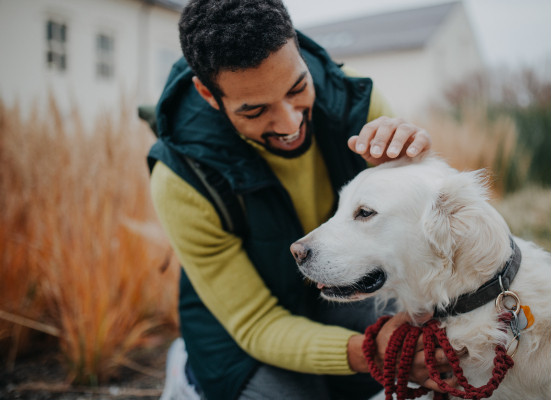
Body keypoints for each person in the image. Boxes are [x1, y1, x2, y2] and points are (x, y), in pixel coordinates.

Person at [148, 1, 456, 399]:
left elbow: (430, 238)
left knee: (432, 353)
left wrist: (417, 167)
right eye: (255, 111)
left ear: (297, 49)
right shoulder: (180, 178)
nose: (290, 124)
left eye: (297, 88)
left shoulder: (359, 105)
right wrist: (369, 352)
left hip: (337, 282)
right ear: (208, 94)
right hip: (240, 321)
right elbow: (256, 323)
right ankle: (187, 368)